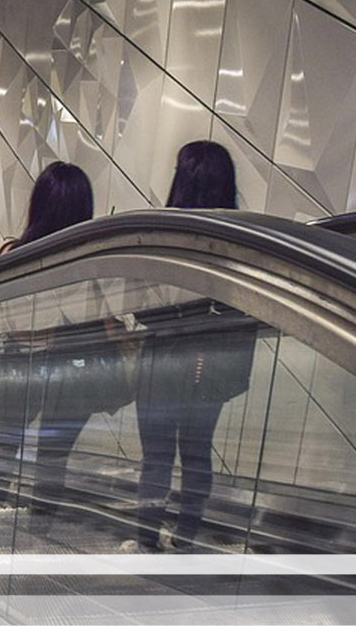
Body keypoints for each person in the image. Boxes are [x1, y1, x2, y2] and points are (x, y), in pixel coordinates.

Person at [123, 140, 256, 553]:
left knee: (157, 457)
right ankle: (184, 540)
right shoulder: (241, 240)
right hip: (208, 363)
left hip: (162, 360)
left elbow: (138, 305)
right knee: (197, 455)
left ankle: (146, 540)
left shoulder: (161, 234)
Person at [0, 162, 97, 486]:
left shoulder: (12, 253)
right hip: (68, 367)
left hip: (18, 358)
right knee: (54, 451)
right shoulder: (87, 262)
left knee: (6, 437)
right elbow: (84, 315)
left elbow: (7, 317)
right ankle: (42, 514)